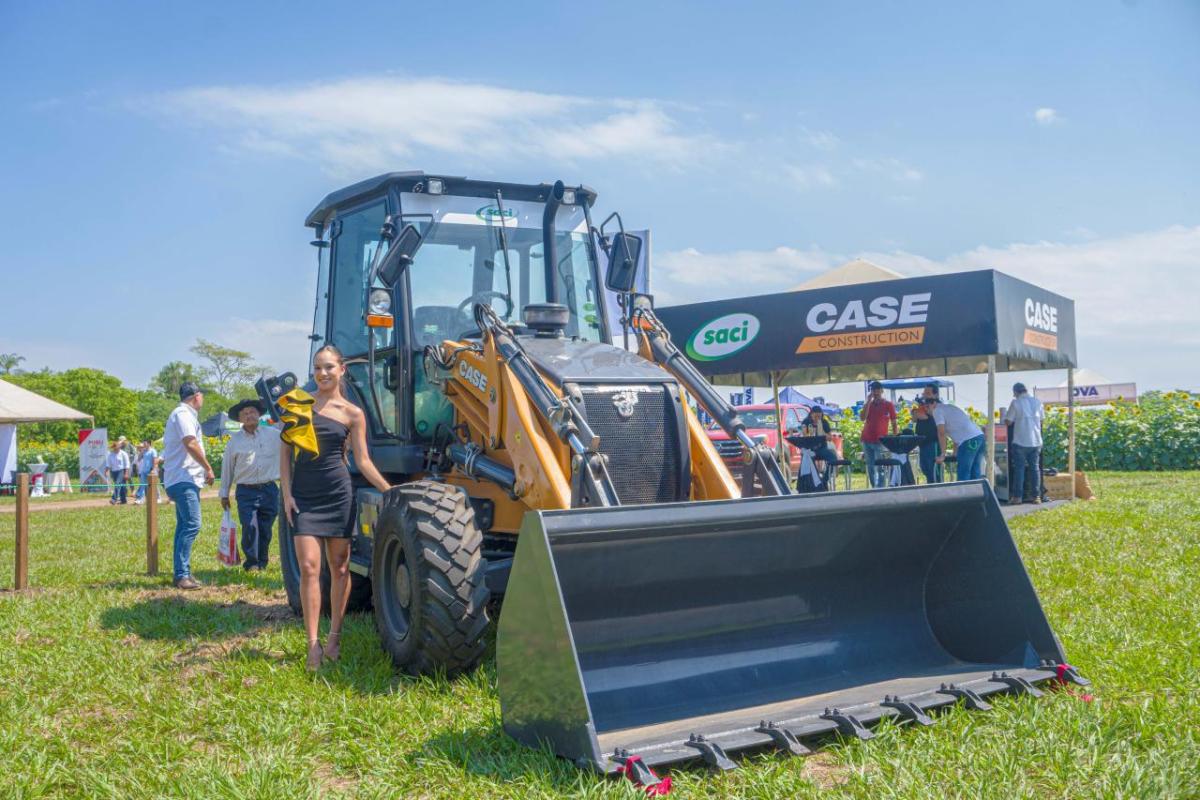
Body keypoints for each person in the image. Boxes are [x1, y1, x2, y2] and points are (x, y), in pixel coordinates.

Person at [280, 345, 391, 671]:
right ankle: (312, 644)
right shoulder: (299, 405)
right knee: (310, 568)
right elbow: (285, 454)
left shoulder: (353, 414)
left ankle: (334, 638)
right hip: (305, 496)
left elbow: (364, 461)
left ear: (342, 369)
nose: (322, 373)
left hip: (339, 494)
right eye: (317, 367)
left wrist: (390, 490)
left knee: (340, 567)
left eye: (329, 367)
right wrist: (286, 495)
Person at [163, 381, 216, 590]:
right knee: (192, 524)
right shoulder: (183, 414)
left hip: (182, 478)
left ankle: (182, 572)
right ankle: (181, 574)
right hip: (183, 478)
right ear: (196, 396)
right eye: (202, 396)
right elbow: (190, 442)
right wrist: (208, 467)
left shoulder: (183, 415)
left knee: (183, 526)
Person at [219, 399, 281, 572]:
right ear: (239, 419)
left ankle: (263, 560)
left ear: (259, 414)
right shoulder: (234, 442)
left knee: (265, 528)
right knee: (250, 526)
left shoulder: (274, 435)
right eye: (244, 414)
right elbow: (227, 469)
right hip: (246, 491)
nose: (249, 415)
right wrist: (224, 493)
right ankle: (252, 563)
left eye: (252, 412)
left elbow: (289, 443)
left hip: (269, 489)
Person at [923, 384, 985, 481]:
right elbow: (957, 430)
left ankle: (964, 495)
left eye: (927, 393)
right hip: (979, 436)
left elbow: (941, 433)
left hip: (969, 440)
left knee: (964, 473)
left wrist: (943, 454)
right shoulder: (947, 408)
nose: (924, 395)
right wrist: (955, 452)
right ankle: (976, 495)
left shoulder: (937, 411)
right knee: (974, 472)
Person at [1004, 382, 1044, 505]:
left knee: (1019, 470)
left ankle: (1017, 497)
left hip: (1020, 441)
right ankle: (1036, 496)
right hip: (1036, 441)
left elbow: (1008, 422)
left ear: (1016, 392)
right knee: (1035, 469)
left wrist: (1005, 418)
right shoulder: (1037, 402)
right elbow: (1042, 420)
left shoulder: (1016, 403)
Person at [859, 380, 897, 487]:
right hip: (866, 439)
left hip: (880, 440)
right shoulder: (869, 404)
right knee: (870, 466)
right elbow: (862, 418)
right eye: (873, 390)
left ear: (881, 391)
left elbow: (894, 423)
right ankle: (874, 487)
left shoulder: (888, 405)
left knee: (880, 465)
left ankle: (880, 487)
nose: (875, 392)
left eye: (877, 390)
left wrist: (895, 438)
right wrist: (868, 402)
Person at [799, 406, 839, 487]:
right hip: (810, 450)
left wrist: (822, 431)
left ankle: (824, 480)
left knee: (833, 458)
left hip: (822, 449)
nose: (817, 418)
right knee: (806, 458)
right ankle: (811, 483)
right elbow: (803, 436)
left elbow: (830, 438)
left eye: (819, 416)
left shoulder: (824, 422)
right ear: (811, 415)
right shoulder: (806, 422)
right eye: (815, 416)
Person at [912, 399, 941, 483]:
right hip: (923, 445)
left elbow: (918, 414)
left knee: (932, 468)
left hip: (931, 444)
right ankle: (931, 484)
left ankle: (936, 486)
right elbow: (914, 418)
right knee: (924, 467)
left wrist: (919, 409)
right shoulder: (919, 412)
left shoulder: (930, 414)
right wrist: (916, 409)